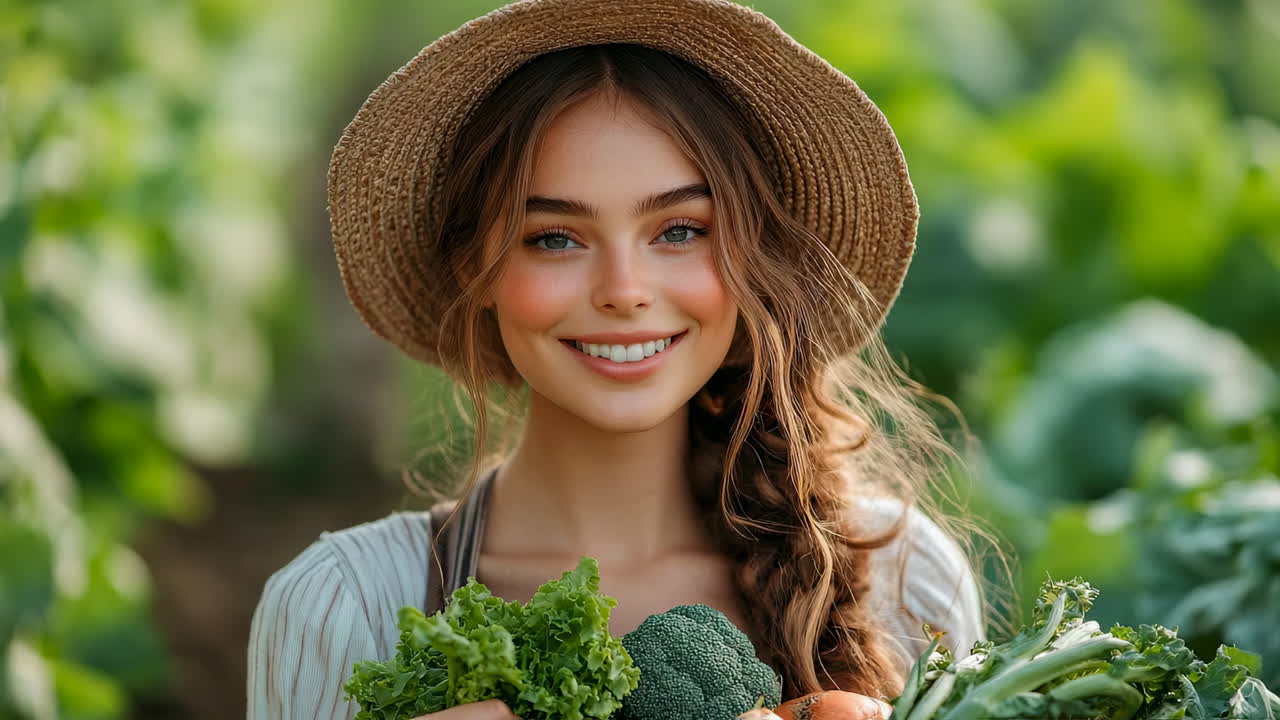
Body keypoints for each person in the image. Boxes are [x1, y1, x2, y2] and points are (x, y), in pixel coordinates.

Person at [248, 1, 1001, 718]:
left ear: (754, 260)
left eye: (679, 230)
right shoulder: (343, 607)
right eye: (554, 237)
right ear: (471, 270)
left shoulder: (906, 581)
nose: (623, 291)